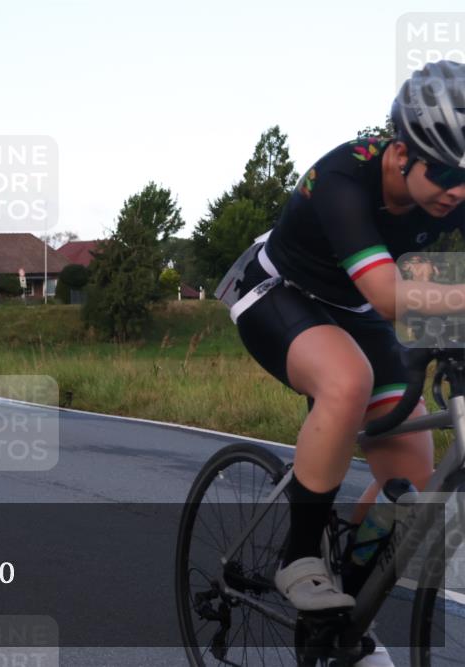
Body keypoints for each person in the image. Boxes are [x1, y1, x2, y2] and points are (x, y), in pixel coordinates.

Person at [217, 60, 465, 664]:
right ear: (402, 152)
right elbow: (390, 296)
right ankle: (298, 557)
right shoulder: (341, 178)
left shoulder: (451, 194)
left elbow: (419, 297)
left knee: (414, 491)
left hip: (356, 305)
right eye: (447, 173)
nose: (458, 191)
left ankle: (339, 626)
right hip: (278, 294)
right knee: (346, 380)